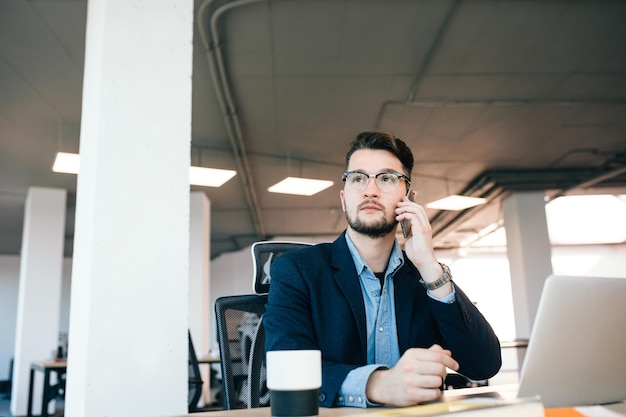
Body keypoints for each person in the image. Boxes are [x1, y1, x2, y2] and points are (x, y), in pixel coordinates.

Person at [264, 131, 502, 408]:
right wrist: (377, 384)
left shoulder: (423, 277)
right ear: (344, 198)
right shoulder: (297, 270)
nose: (370, 190)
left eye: (387, 178)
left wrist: (429, 266)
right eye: (358, 178)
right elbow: (287, 367)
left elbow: (484, 364)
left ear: (409, 199)